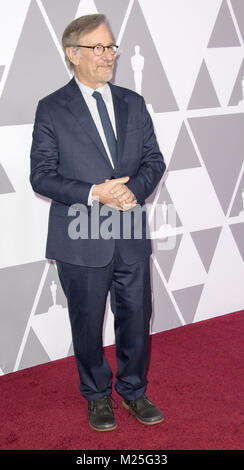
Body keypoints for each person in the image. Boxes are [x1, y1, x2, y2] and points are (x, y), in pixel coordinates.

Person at [30, 14, 166, 431]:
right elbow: (42, 175)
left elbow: (153, 160)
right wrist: (96, 192)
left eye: (111, 47)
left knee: (136, 318)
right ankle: (96, 394)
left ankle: (133, 390)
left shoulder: (132, 102)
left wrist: (131, 192)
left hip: (129, 233)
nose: (109, 56)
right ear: (73, 54)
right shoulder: (52, 108)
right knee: (86, 323)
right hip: (81, 236)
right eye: (99, 48)